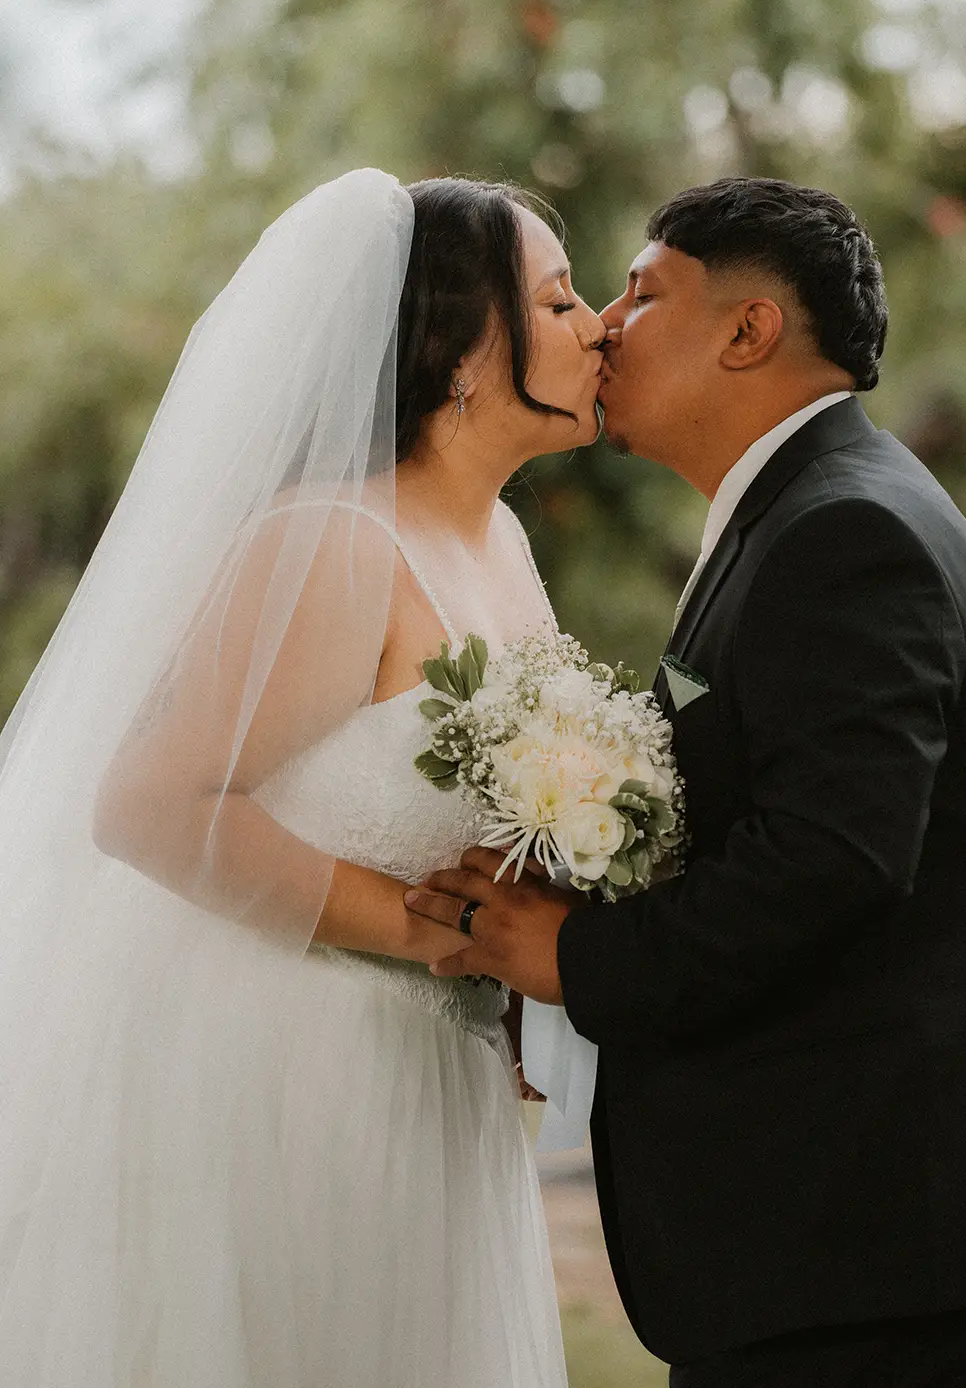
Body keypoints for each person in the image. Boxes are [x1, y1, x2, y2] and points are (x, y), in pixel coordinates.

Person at [407, 176, 966, 1388]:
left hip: (890, 1246)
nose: (607, 323)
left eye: (642, 291)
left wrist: (571, 959)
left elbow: (830, 865)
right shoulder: (799, 517)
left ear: (748, 330)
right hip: (850, 1239)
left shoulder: (848, 536)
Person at [0, 168, 605, 1386]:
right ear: (466, 354)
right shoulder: (335, 541)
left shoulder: (498, 535)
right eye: (557, 301)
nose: (596, 325)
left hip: (436, 1072)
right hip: (290, 1070)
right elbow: (150, 803)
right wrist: (432, 933)